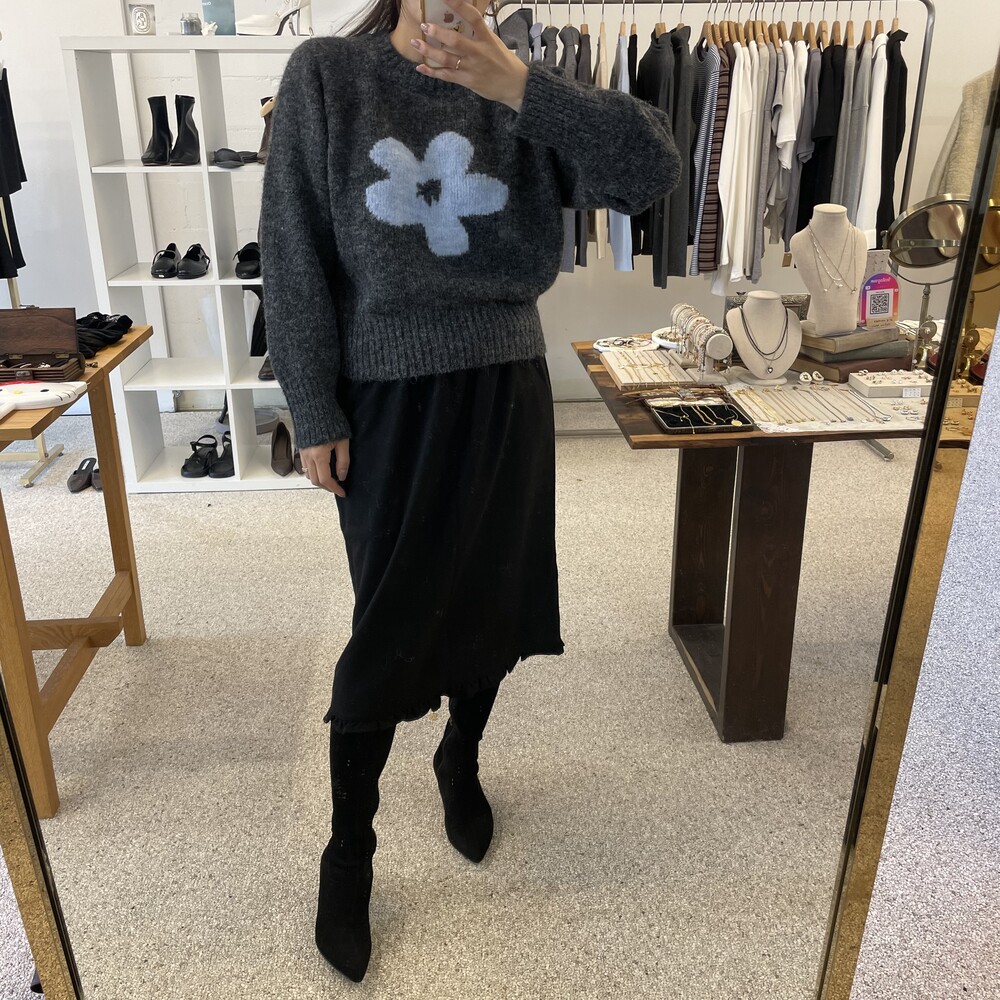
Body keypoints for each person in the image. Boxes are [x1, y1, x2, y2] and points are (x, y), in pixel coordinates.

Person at [260, 0, 680, 982]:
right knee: (388, 624)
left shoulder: (525, 81)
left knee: (495, 598)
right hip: (385, 397)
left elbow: (651, 173)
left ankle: (462, 754)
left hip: (504, 385)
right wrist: (312, 406)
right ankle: (349, 848)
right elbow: (292, 250)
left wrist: (520, 88)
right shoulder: (329, 74)